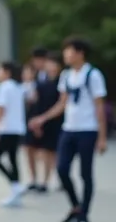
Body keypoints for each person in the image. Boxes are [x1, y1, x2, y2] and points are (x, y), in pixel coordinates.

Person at [29, 37, 108, 222]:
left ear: (80, 53)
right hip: (69, 129)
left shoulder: (93, 75)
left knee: (85, 173)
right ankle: (76, 206)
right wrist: (42, 119)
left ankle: (84, 214)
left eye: (69, 51)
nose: (66, 55)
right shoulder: (66, 76)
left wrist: (102, 137)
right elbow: (62, 103)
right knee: (62, 169)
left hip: (88, 130)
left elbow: (99, 108)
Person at [0, 61, 27, 207]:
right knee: (12, 159)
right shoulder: (18, 87)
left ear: (6, 72)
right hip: (18, 129)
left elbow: (0, 110)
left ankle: (15, 185)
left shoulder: (4, 87)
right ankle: (16, 190)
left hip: (7, 129)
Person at [26, 51, 65, 192]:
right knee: (36, 149)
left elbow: (61, 104)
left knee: (51, 151)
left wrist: (43, 119)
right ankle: (37, 179)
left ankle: (46, 180)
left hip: (55, 120)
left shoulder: (62, 81)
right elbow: (36, 102)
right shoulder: (41, 81)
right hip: (41, 119)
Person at [22, 46, 49, 191]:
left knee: (45, 150)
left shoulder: (51, 75)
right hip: (31, 116)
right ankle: (33, 178)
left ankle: (45, 180)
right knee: (29, 148)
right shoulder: (32, 76)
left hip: (45, 116)